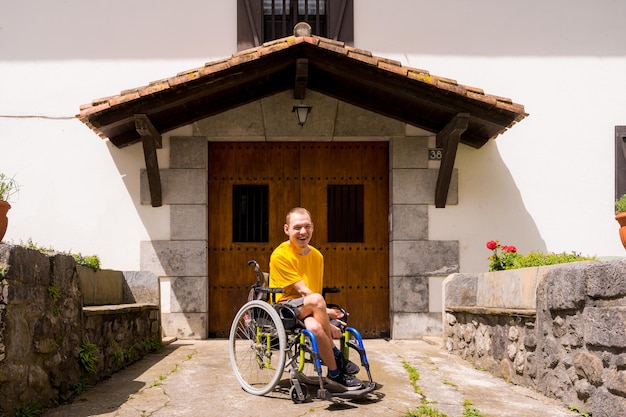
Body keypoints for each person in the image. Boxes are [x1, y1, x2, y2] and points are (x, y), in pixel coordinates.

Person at [269, 207, 363, 391]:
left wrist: (322, 320)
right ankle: (337, 356)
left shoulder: (317, 256)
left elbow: (312, 294)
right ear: (287, 230)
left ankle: (335, 374)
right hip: (286, 308)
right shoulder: (280, 255)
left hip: (308, 308)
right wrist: (328, 317)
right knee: (318, 301)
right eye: (297, 227)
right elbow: (305, 292)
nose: (303, 232)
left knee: (315, 328)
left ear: (312, 228)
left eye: (307, 226)